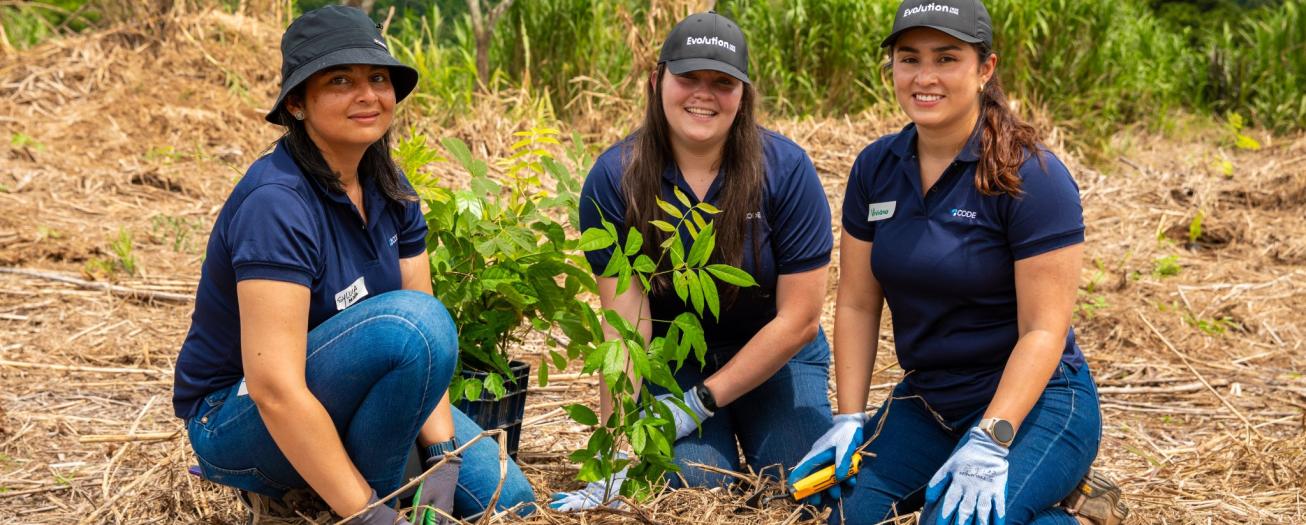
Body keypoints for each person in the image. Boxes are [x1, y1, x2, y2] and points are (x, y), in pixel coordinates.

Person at [171, 6, 534, 524]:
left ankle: (362, 486)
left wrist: (442, 460)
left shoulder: (392, 190)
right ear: (297, 103)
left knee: (511, 502)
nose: (367, 95)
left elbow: (427, 356)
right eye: (340, 80)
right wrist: (371, 515)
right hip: (240, 419)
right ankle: (357, 500)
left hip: (341, 397)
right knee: (413, 323)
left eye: (378, 78)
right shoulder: (277, 203)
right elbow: (275, 388)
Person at [790, 1, 1127, 524]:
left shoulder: (1031, 175)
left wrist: (991, 440)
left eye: (946, 58)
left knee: (951, 522)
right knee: (832, 513)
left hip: (1037, 402)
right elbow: (857, 302)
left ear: (984, 68)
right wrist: (849, 417)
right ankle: (1043, 498)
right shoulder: (876, 168)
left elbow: (1044, 330)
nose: (925, 77)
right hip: (931, 400)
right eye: (909, 59)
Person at [551, 11, 835, 511]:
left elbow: (800, 320)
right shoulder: (615, 178)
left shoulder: (786, 172)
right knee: (692, 487)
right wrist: (617, 448)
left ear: (743, 94)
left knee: (803, 486)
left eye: (722, 82)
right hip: (674, 359)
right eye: (688, 78)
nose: (703, 94)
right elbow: (627, 326)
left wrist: (700, 403)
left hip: (776, 353)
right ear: (656, 79)